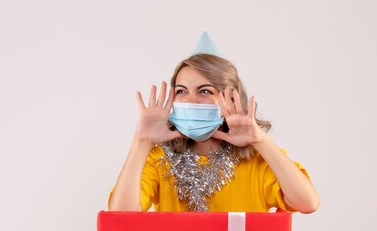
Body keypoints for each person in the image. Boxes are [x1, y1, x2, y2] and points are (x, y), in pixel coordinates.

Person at [108, 34, 320, 213]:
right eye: (182, 91)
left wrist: (260, 140)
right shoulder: (159, 160)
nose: (190, 100)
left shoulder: (256, 162)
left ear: (230, 98)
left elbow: (307, 202)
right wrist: (141, 141)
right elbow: (120, 215)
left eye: (205, 91)